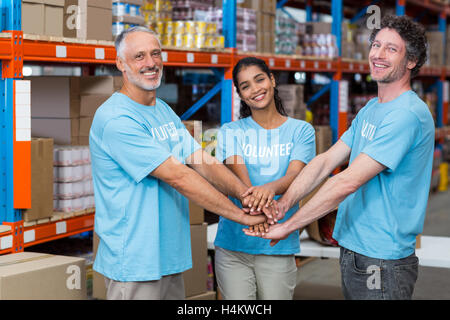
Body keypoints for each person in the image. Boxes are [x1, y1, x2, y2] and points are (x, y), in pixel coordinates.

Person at [244, 15, 434, 300]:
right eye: (376, 45)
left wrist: (288, 227)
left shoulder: (406, 114)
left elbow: (345, 182)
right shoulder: (373, 107)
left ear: (411, 61)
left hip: (381, 258)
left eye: (391, 49)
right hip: (356, 249)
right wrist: (284, 205)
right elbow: (325, 162)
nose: (378, 55)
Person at [89, 27, 267, 300]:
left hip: (168, 257)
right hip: (136, 263)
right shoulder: (116, 119)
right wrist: (241, 215)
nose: (150, 63)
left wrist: (246, 196)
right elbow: (178, 176)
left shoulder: (162, 110)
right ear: (120, 64)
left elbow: (201, 160)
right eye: (139, 56)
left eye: (155, 53)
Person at [214, 57, 316, 300]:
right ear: (240, 94)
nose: (255, 89)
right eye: (245, 85)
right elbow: (241, 181)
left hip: (277, 243)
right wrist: (255, 208)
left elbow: (295, 176)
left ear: (271, 80)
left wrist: (269, 189)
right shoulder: (230, 131)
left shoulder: (301, 130)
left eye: (259, 79)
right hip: (233, 245)